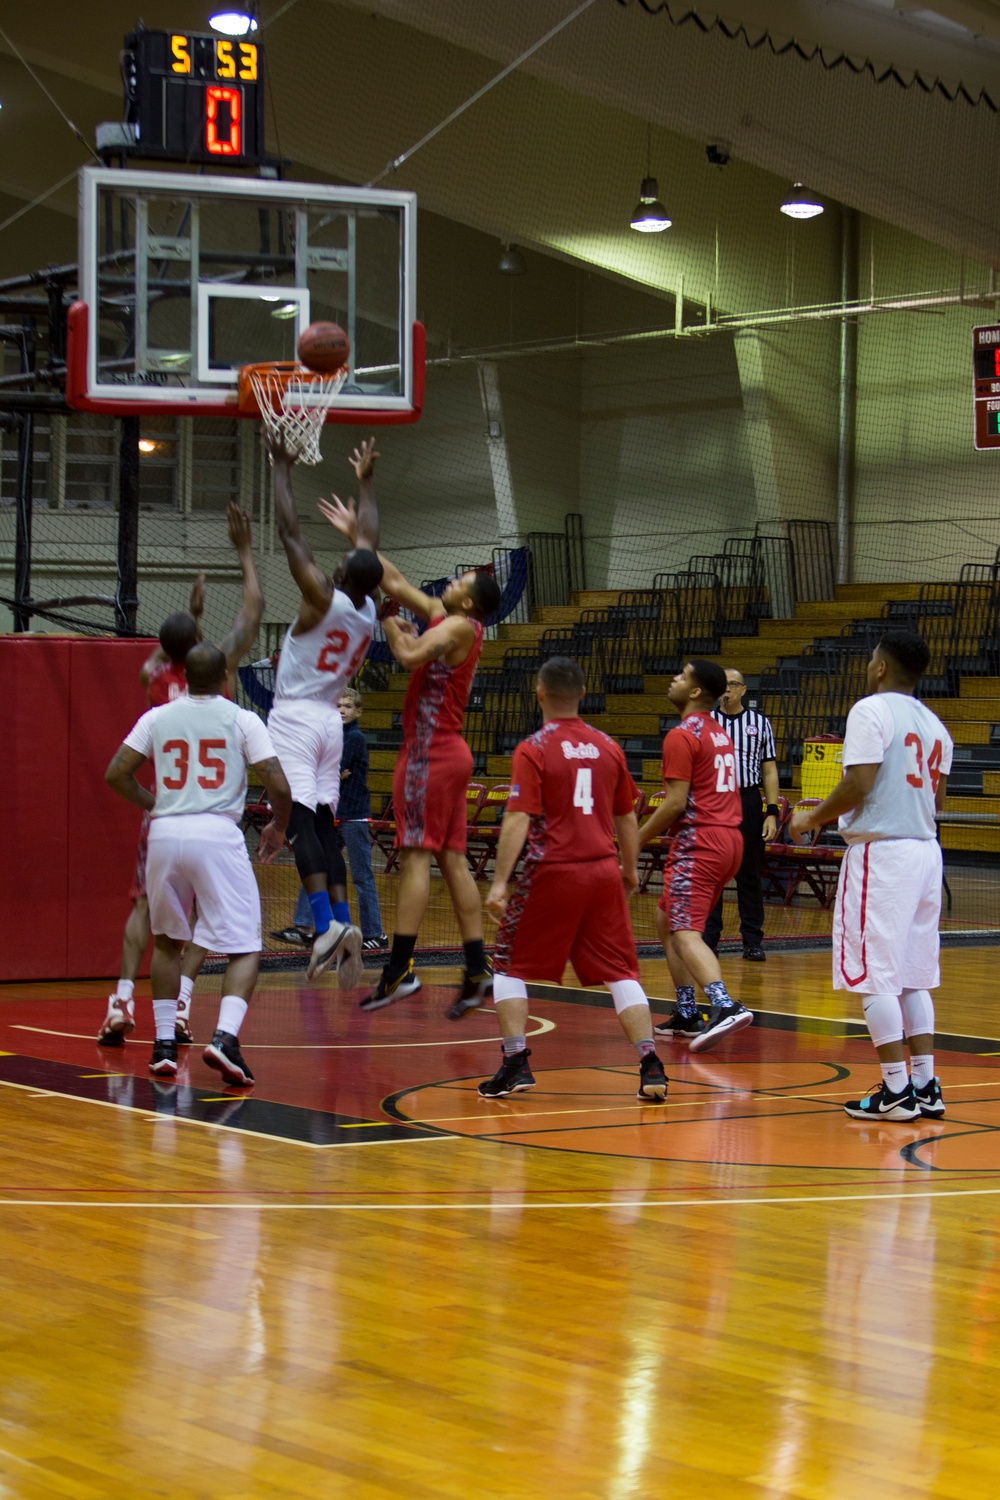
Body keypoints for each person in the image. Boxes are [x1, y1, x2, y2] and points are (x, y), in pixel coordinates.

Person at [316, 491, 501, 1016]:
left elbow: (409, 656)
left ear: (469, 601)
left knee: (417, 857)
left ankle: (398, 970)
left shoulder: (458, 626)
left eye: (461, 583)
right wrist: (359, 536)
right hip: (446, 752)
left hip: (429, 754)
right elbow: (392, 581)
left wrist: (393, 628)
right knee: (453, 860)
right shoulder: (450, 615)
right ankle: (475, 967)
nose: (451, 583)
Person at [99, 504, 264, 1047]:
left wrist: (186, 617)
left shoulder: (153, 684)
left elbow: (162, 653)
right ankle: (192, 1009)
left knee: (153, 918)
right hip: (214, 818)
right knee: (218, 927)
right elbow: (248, 617)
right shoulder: (223, 685)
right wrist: (241, 557)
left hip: (166, 816)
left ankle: (123, 1002)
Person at [481, 656, 669, 1101]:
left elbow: (517, 819)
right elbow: (626, 815)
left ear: (539, 693)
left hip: (553, 870)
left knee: (507, 964)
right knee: (621, 971)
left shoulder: (535, 747)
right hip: (602, 870)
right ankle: (651, 1064)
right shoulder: (608, 746)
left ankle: (515, 1061)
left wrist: (499, 883)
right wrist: (628, 868)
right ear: (583, 693)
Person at [105, 642, 292, 1084]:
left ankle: (165, 1045)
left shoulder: (158, 716)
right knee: (244, 944)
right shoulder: (242, 719)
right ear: (226, 679)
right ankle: (225, 1039)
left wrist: (156, 804)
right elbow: (277, 782)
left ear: (184, 677)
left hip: (165, 835)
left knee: (168, 940)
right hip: (217, 833)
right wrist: (278, 825)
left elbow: (116, 773)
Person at [790, 630, 953, 1122]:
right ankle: (925, 1085)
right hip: (927, 851)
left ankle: (895, 1091)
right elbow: (938, 801)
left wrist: (810, 817)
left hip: (883, 854)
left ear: (881, 667)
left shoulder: (870, 710)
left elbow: (859, 782)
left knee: (874, 975)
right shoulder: (935, 724)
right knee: (913, 977)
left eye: (870, 661)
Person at [267, 434, 383, 985]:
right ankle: (341, 919)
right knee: (325, 827)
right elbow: (368, 550)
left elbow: (290, 533)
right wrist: (364, 484)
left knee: (297, 826)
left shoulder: (320, 594)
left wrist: (282, 467)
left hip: (293, 715)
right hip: (329, 721)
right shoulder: (367, 613)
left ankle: (324, 924)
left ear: (340, 574)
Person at [637, 659, 753, 1053]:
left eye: (681, 675)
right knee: (666, 917)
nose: (673, 678)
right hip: (728, 838)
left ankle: (724, 1004)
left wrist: (633, 841)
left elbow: (673, 804)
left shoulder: (681, 735)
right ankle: (687, 1011)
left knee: (685, 930)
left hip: (701, 840)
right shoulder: (719, 732)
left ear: (696, 692)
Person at [272, 689, 387, 950]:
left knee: (361, 875)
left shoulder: (354, 737)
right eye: (338, 705)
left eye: (348, 706)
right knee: (314, 863)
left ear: (358, 712)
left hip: (353, 815)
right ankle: (303, 926)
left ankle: (374, 933)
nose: (342, 710)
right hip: (332, 813)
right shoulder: (334, 734)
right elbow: (333, 772)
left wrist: (328, 770)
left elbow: (337, 771)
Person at [704, 667, 780, 961]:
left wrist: (771, 812)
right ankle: (709, 938)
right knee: (714, 871)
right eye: (723, 685)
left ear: (743, 690)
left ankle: (752, 940)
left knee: (749, 872)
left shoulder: (759, 723)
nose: (727, 690)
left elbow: (769, 769)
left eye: (733, 685)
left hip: (748, 799)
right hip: (714, 801)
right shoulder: (706, 722)